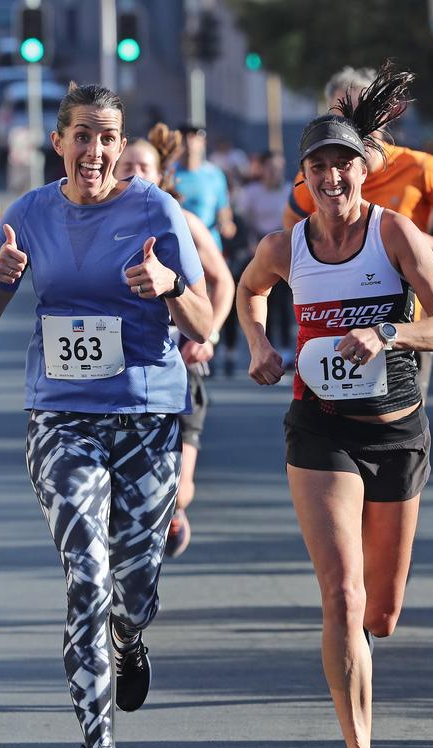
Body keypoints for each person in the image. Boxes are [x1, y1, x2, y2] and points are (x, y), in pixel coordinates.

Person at [0, 83, 212, 748]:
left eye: (107, 138)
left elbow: (206, 323)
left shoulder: (157, 210)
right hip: (62, 418)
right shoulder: (29, 215)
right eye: (83, 136)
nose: (95, 151)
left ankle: (130, 637)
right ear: (60, 142)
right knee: (86, 573)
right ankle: (99, 745)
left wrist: (170, 287)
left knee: (132, 588)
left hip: (147, 418)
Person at [238, 63, 433, 748]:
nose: (332, 178)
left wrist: (390, 332)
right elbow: (248, 293)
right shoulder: (285, 247)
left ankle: (363, 652)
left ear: (364, 170)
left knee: (380, 614)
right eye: (318, 167)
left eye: (344, 164)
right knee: (341, 593)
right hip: (320, 427)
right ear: (303, 178)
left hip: (396, 430)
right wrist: (259, 344)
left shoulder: (395, 235)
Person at [283, 66, 433, 403]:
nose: (352, 121)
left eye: (361, 110)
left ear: (382, 113)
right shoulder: (320, 175)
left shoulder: (421, 167)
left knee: (400, 415)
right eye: (341, 112)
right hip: (334, 321)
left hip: (409, 319)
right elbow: (289, 235)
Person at [115, 124, 236, 557]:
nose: (135, 174)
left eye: (144, 166)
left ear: (163, 173)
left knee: (180, 491)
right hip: (124, 367)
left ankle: (176, 510)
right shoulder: (98, 220)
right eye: (126, 166)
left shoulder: (182, 222)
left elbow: (224, 282)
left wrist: (210, 333)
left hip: (179, 361)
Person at [239, 150, 294, 367]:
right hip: (259, 252)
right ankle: (266, 346)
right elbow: (245, 222)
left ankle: (288, 348)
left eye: (279, 168)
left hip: (285, 251)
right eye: (271, 168)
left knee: (284, 303)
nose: (275, 173)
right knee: (263, 298)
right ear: (262, 170)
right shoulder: (251, 193)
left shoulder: (291, 191)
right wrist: (253, 244)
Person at [175, 123, 237, 249]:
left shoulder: (215, 174)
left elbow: (223, 208)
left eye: (194, 136)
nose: (189, 141)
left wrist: (226, 223)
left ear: (203, 142)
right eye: (184, 136)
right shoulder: (167, 174)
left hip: (209, 248)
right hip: (178, 247)